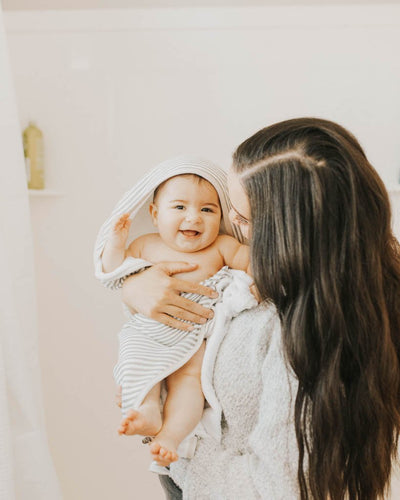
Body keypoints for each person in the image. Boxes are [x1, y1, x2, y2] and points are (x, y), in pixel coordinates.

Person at [119, 118, 400, 500]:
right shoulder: (282, 273)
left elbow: (272, 488)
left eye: (243, 219)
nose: (228, 227)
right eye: (228, 208)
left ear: (289, 232)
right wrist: (135, 286)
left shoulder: (301, 331)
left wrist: (175, 445)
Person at [99, 169, 252, 471]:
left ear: (221, 216)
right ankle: (146, 411)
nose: (194, 217)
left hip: (192, 332)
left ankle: (169, 437)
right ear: (155, 214)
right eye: (180, 207)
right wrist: (116, 242)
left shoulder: (221, 246)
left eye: (207, 209)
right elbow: (113, 270)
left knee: (189, 382)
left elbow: (254, 263)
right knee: (133, 366)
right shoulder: (145, 244)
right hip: (149, 331)